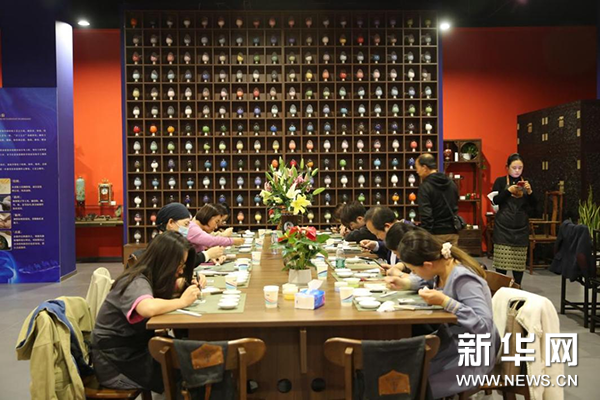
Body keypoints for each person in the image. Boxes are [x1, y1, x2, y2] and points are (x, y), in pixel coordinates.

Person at [385, 229, 499, 398]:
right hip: (449, 343)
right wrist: (404, 283)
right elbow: (422, 280)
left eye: (413, 269)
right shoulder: (442, 269)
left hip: (471, 353)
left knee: (412, 383)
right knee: (402, 370)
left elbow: (484, 326)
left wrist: (446, 302)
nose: (413, 273)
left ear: (427, 264)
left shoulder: (463, 278)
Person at [92, 231, 206, 393]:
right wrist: (182, 301)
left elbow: (156, 295)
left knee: (192, 360)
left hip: (133, 352)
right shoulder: (135, 281)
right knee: (192, 371)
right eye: (179, 265)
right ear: (164, 262)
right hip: (115, 364)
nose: (181, 271)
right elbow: (147, 308)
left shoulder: (147, 276)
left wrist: (184, 286)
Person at [129, 203, 224, 266]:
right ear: (170, 223)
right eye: (186, 224)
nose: (188, 229)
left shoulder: (167, 242)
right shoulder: (164, 245)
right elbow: (182, 263)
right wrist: (207, 255)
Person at [491, 153, 536, 285]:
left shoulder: (526, 183)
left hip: (521, 228)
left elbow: (534, 206)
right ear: (507, 167)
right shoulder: (500, 181)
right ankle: (501, 290)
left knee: (518, 266)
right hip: (503, 228)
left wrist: (530, 192)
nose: (517, 171)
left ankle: (517, 289)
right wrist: (508, 191)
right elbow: (495, 200)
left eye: (520, 168)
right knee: (501, 266)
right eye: (514, 168)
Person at [415, 153, 460, 246]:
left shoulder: (425, 187)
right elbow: (455, 204)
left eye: (417, 168)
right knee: (452, 255)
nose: (417, 171)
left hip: (435, 234)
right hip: (452, 232)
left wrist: (425, 236)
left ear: (424, 167)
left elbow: (426, 215)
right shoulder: (451, 183)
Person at [361, 206, 404, 273]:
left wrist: (398, 267)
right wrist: (375, 245)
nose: (377, 237)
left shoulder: (409, 235)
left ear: (387, 226)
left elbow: (409, 259)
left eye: (377, 233)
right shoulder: (394, 234)